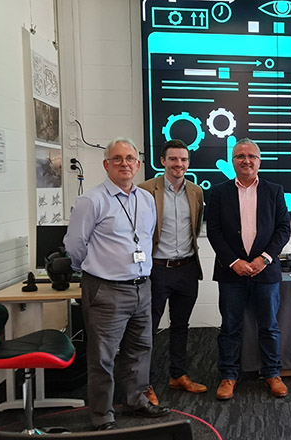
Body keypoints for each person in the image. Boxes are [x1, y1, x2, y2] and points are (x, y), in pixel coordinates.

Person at [64, 138, 169, 431]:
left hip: (142, 286)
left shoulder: (146, 198)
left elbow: (146, 237)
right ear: (106, 164)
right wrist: (93, 269)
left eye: (130, 158)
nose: (125, 163)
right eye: (118, 158)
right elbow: (74, 245)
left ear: (138, 164)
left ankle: (136, 400)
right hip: (106, 289)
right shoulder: (92, 200)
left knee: (140, 348)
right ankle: (102, 414)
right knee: (103, 355)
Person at [205, 138, 291, 400]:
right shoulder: (219, 193)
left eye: (251, 156)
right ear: (233, 162)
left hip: (266, 271)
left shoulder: (274, 190)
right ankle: (229, 376)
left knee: (269, 326)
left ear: (259, 161)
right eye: (240, 156)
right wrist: (234, 262)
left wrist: (264, 258)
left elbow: (283, 229)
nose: (246, 160)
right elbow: (214, 231)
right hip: (231, 272)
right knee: (230, 326)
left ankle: (272, 374)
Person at [138, 140, 206, 404]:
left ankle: (178, 375)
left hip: (187, 268)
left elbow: (196, 228)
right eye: (174, 159)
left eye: (184, 160)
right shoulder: (145, 190)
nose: (179, 164)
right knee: (149, 329)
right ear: (163, 161)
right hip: (157, 269)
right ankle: (145, 383)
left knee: (181, 326)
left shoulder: (196, 192)